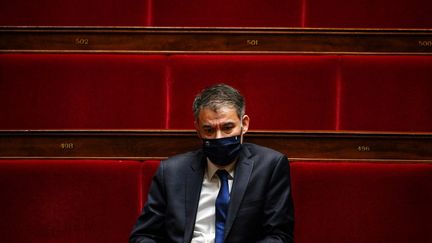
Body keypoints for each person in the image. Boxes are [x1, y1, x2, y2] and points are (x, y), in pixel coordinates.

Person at [130, 84, 294, 243]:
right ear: (198, 129)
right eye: (209, 130)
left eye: (227, 127)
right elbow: (143, 236)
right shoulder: (172, 171)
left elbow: (279, 236)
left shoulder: (270, 166)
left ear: (244, 124)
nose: (219, 138)